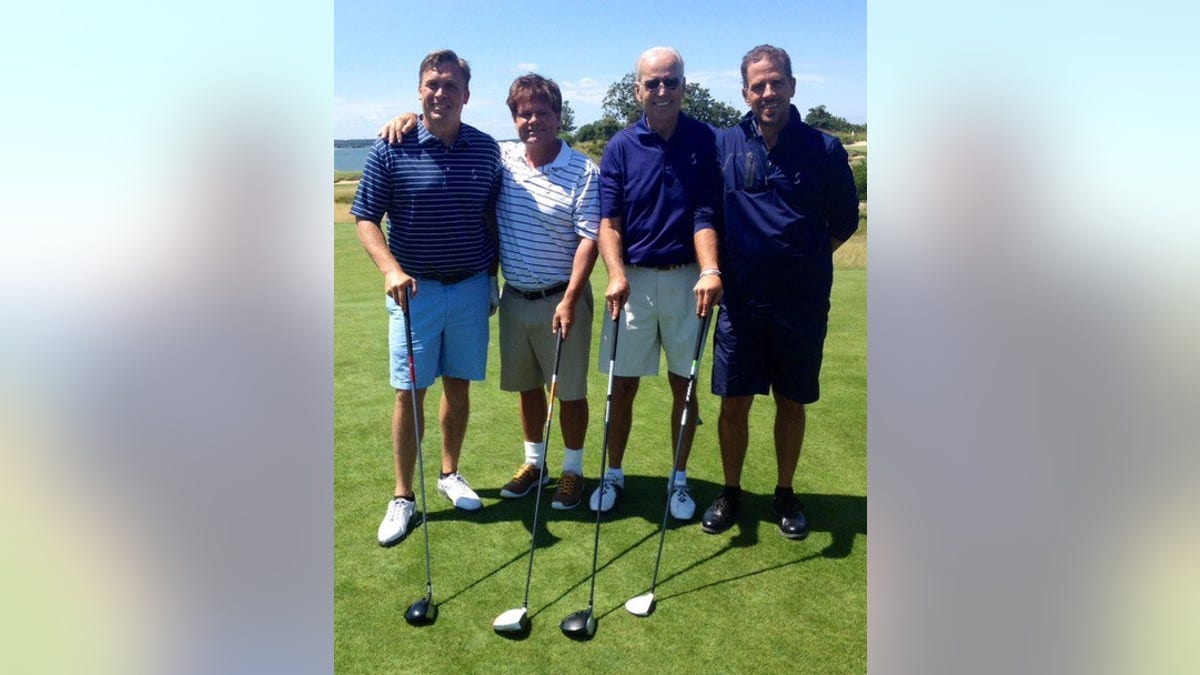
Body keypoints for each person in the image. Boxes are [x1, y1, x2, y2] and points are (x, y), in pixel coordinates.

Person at [379, 73, 600, 510]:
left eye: (541, 113)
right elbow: (447, 134)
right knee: (528, 388)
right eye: (523, 113)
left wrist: (572, 298)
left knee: (569, 391)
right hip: (515, 298)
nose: (532, 120)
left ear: (558, 117)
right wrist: (409, 118)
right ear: (513, 119)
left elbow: (589, 238)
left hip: (562, 299)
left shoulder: (583, 170)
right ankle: (535, 465)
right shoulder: (502, 158)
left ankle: (573, 471)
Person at [699, 44, 860, 539]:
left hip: (801, 304)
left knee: (792, 401)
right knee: (735, 402)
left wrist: (802, 262)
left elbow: (844, 221)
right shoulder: (723, 144)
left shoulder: (824, 148)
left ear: (792, 85)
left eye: (776, 82)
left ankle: (785, 492)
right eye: (758, 85)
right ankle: (731, 491)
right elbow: (705, 215)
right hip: (741, 304)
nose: (768, 92)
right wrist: (712, 267)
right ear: (745, 92)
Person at [350, 49, 503, 547]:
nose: (442, 92)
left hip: (470, 287)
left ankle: (449, 473)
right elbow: (366, 216)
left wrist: (492, 277)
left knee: (458, 387)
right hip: (414, 291)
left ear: (466, 94)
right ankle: (402, 497)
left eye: (451, 85)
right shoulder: (390, 146)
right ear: (420, 90)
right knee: (409, 392)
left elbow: (491, 218)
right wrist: (390, 268)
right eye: (433, 84)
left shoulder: (485, 149)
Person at [592, 47, 724, 519]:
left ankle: (680, 479)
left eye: (671, 82)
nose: (662, 91)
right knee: (621, 386)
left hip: (688, 280)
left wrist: (710, 269)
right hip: (633, 283)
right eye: (653, 83)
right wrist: (614, 272)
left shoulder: (706, 140)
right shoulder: (620, 146)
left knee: (683, 387)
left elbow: (705, 212)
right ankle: (613, 473)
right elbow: (610, 220)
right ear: (638, 89)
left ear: (685, 86)